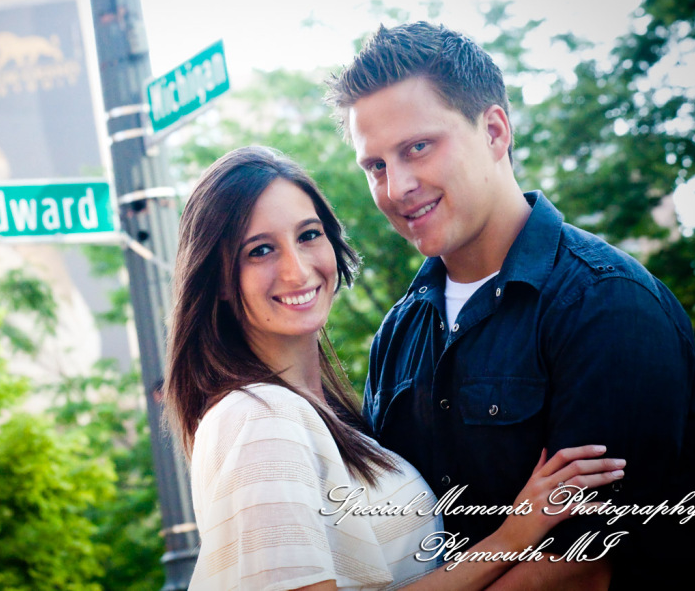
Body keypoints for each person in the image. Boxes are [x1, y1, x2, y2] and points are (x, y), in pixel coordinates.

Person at [325, 21, 695, 589]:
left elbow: (583, 571)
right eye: (376, 166)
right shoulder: (399, 333)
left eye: (418, 147)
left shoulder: (605, 304)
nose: (398, 186)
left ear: (493, 131)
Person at [164, 146, 625, 590]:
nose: (298, 270)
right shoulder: (257, 419)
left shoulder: (324, 414)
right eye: (259, 251)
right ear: (219, 281)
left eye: (308, 235)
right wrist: (510, 539)